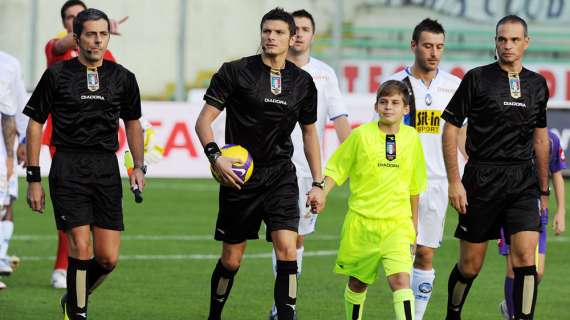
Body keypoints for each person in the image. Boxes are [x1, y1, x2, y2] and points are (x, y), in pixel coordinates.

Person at [195, 8, 324, 320]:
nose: (271, 37)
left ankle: (286, 316)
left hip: (281, 175)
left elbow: (310, 135)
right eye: (267, 31)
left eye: (279, 32)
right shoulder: (235, 72)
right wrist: (216, 157)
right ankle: (215, 315)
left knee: (287, 250)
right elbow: (203, 122)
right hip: (240, 178)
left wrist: (319, 183)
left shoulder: (303, 82)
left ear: (292, 38)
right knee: (232, 260)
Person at [24, 8, 144, 320]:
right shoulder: (57, 75)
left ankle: (74, 297)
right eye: (90, 34)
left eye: (102, 34)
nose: (97, 40)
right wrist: (34, 178)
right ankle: (78, 313)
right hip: (68, 166)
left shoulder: (123, 77)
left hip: (106, 169)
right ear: (77, 39)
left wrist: (138, 167)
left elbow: (133, 124)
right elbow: (35, 124)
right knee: (80, 247)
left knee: (107, 258)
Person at [441, 15, 550, 320]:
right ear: (495, 42)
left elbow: (541, 141)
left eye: (514, 39)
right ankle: (453, 314)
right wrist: (454, 181)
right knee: (470, 266)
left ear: (526, 42)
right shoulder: (477, 78)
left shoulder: (537, 84)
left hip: (522, 181)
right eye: (502, 39)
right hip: (481, 179)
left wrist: (544, 191)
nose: (507, 45)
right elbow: (450, 128)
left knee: (526, 259)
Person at [268, 9, 351, 319]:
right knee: (280, 236)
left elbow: (340, 118)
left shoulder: (325, 74)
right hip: (270, 167)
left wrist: (353, 157)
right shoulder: (269, 69)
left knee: (296, 237)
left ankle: (282, 305)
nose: (300, 33)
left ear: (312, 35)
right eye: (296, 28)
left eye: (305, 28)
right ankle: (283, 306)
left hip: (306, 169)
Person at [321, 80, 426, 320]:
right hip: (362, 224)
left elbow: (414, 186)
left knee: (401, 280)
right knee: (358, 284)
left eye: (395, 103)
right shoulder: (360, 136)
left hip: (398, 224)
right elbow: (337, 169)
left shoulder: (412, 138)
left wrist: (413, 224)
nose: (389, 107)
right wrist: (321, 192)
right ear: (376, 106)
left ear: (406, 109)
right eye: (384, 102)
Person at [381, 18, 464, 320]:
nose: (434, 53)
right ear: (414, 45)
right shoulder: (395, 85)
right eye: (428, 46)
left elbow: (462, 134)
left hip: (439, 181)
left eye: (439, 47)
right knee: (403, 254)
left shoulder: (454, 86)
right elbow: (384, 134)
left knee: (426, 253)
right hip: (400, 183)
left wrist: (466, 175)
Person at [45, 0, 126, 289]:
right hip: (64, 143)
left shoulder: (108, 57)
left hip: (98, 146)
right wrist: (93, 30)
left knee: (100, 239)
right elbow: (60, 45)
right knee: (73, 215)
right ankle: (62, 268)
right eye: (70, 17)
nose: (74, 20)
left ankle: (78, 287)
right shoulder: (56, 49)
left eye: (79, 16)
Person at [498, 128, 566, 319]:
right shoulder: (511, 135)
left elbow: (557, 174)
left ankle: (510, 303)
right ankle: (514, 314)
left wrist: (561, 211)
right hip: (510, 209)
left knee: (537, 272)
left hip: (538, 213)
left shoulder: (551, 139)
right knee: (514, 267)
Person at [0, 51, 28, 290]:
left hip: (1, 151)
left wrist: (21, 144)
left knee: (5, 202)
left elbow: (14, 109)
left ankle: (0, 255)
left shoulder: (8, 64)